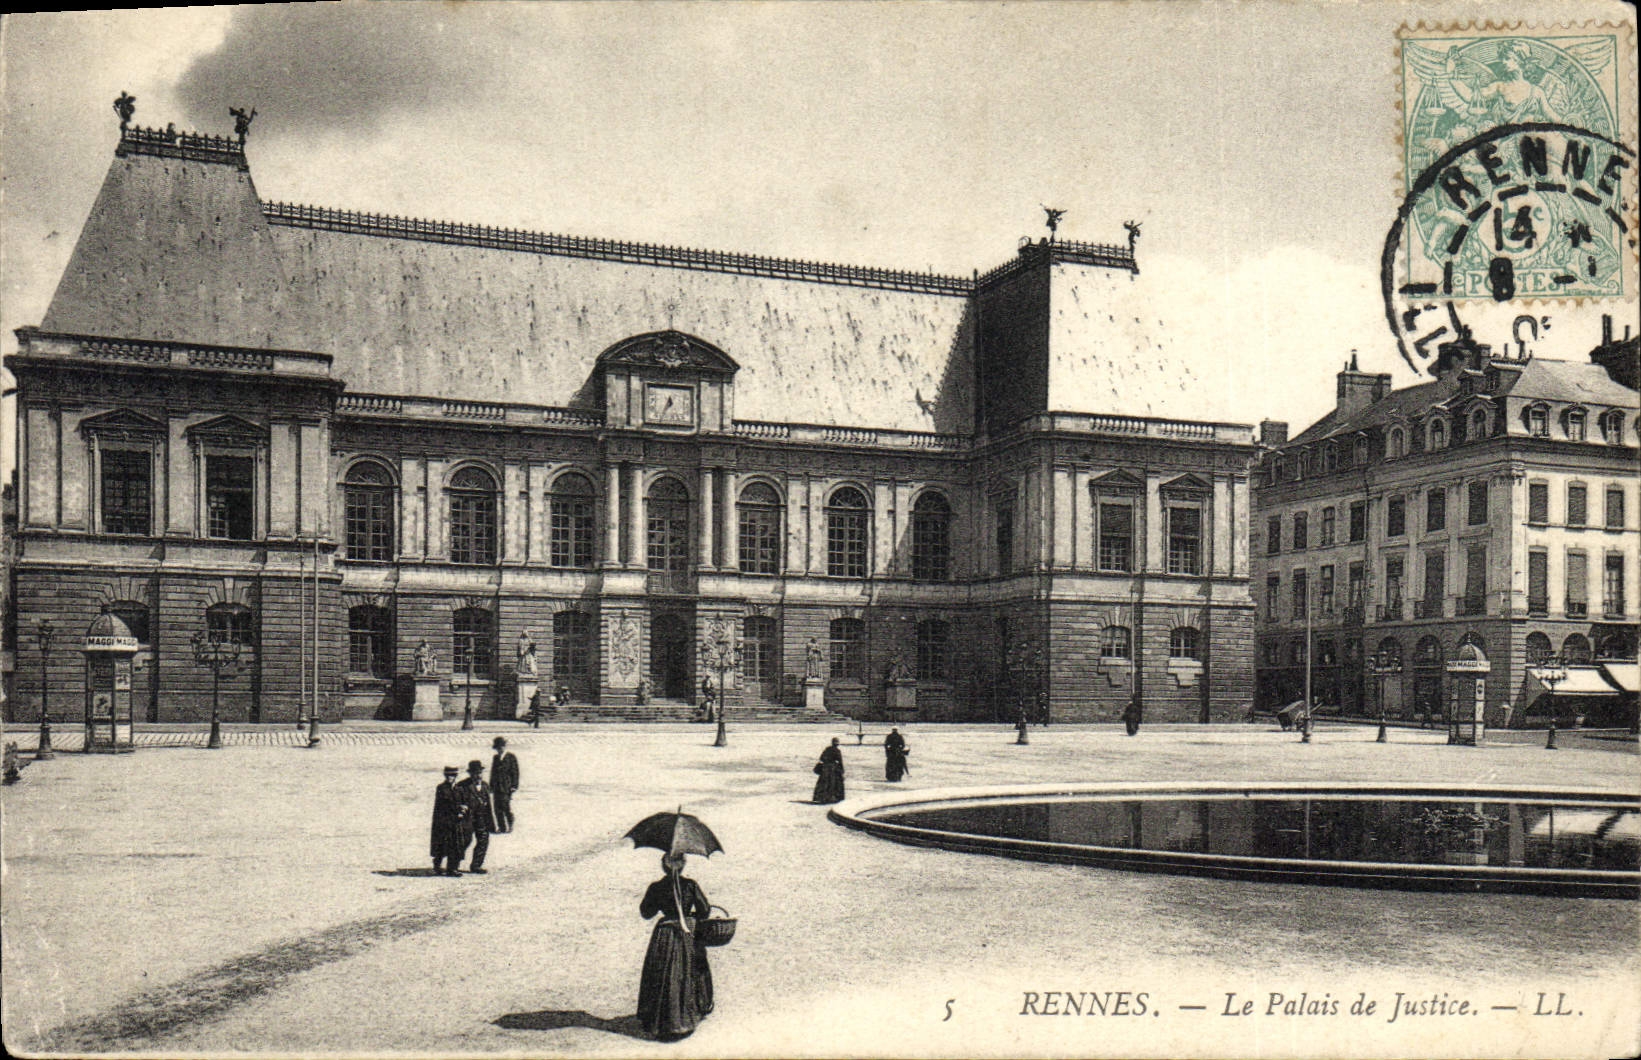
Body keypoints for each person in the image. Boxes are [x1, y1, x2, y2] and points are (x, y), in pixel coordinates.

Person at [637, 852, 714, 1041]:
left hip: (665, 935)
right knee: (685, 972)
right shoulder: (690, 885)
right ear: (683, 865)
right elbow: (705, 910)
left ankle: (660, 1021)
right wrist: (690, 915)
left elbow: (646, 912)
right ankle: (684, 1019)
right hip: (687, 933)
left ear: (664, 866)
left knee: (662, 974)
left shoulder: (656, 887)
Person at [455, 760, 498, 874]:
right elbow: (457, 801)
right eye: (475, 773)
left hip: (481, 818)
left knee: (483, 840)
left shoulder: (485, 786)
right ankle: (454, 864)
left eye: (480, 773)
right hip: (467, 818)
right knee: (464, 841)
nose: (478, 775)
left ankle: (476, 865)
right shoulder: (462, 786)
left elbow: (488, 804)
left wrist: (491, 822)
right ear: (470, 774)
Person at [430, 766, 468, 877]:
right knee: (442, 845)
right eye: (448, 775)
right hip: (443, 821)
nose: (450, 777)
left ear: (456, 776)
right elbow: (443, 805)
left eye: (452, 775)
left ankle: (452, 869)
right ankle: (437, 865)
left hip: (456, 821)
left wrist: (463, 809)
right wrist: (457, 809)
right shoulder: (441, 788)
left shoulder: (459, 789)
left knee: (455, 845)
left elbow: (464, 802)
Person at [490, 737, 520, 833]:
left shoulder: (511, 757)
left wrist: (514, 785)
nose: (499, 750)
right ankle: (501, 827)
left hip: (506, 786)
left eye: (501, 747)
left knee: (505, 806)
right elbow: (493, 772)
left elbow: (515, 772)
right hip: (496, 786)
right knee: (497, 807)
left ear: (504, 747)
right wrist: (491, 786)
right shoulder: (495, 758)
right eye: (497, 748)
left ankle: (510, 824)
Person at [812, 737, 845, 804]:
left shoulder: (827, 749)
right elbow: (840, 761)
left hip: (825, 768)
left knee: (824, 783)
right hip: (833, 769)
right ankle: (832, 798)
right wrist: (841, 770)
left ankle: (821, 798)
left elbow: (821, 758)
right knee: (833, 783)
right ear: (837, 744)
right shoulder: (837, 751)